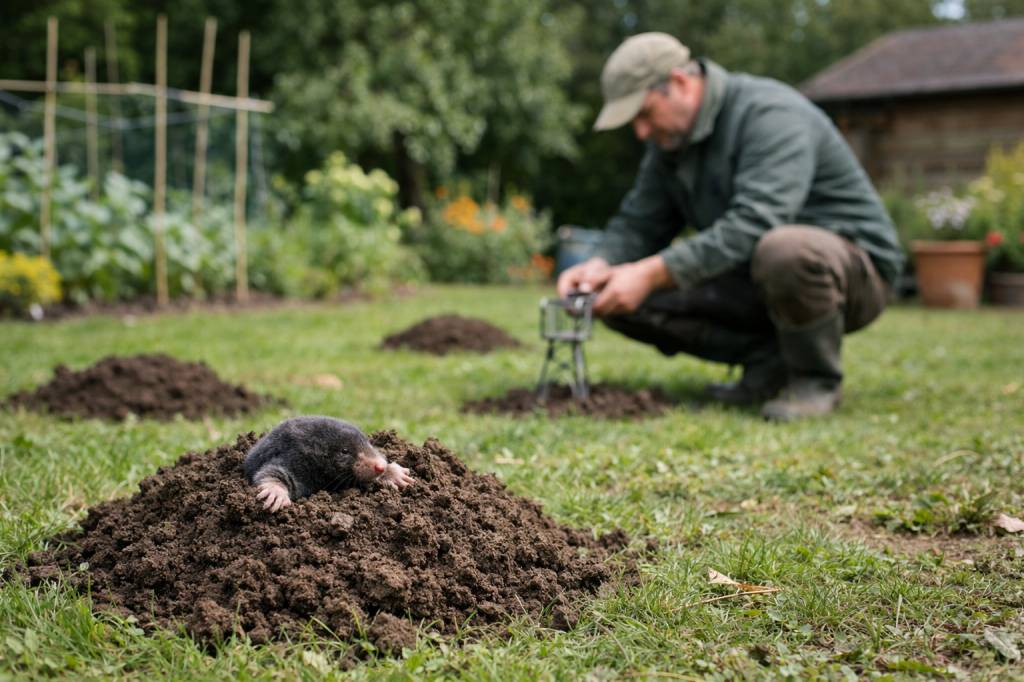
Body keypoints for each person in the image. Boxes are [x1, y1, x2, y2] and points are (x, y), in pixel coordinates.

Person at [557, 32, 904, 421]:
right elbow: (640, 221)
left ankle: (813, 379)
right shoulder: (669, 144)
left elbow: (755, 223)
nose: (640, 132)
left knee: (785, 250)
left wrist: (651, 273)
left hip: (853, 272)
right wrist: (602, 263)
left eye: (644, 113)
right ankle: (768, 364)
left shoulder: (770, 115)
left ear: (680, 83)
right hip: (750, 274)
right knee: (614, 297)